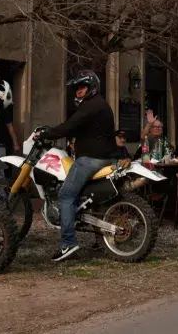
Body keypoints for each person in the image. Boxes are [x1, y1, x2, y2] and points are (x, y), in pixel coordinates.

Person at [35, 70, 117, 262]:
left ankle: (68, 244)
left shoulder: (91, 105)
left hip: (91, 159)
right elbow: (79, 127)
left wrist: (47, 134)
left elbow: (70, 125)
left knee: (66, 194)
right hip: (104, 157)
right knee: (86, 195)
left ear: (92, 87)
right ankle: (99, 238)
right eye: (77, 88)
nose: (79, 91)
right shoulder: (100, 105)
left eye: (83, 87)